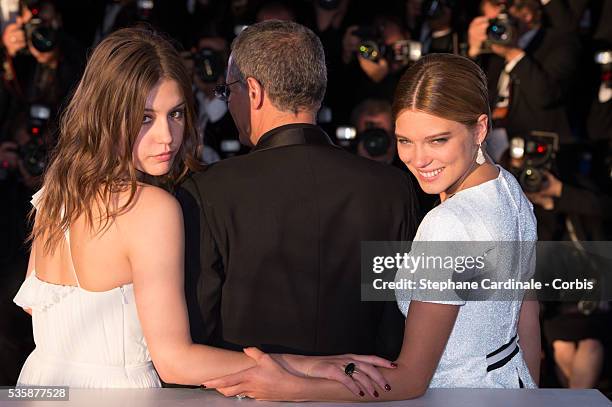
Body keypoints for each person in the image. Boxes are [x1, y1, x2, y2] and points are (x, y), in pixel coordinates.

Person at [12, 26, 394, 392]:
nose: (167, 136)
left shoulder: (54, 194)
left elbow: (37, 308)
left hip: (39, 385)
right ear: (108, 114)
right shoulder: (151, 207)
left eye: (176, 113)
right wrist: (307, 366)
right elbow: (175, 362)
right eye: (145, 118)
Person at [203, 53, 541, 401]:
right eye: (405, 141)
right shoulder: (508, 191)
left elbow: (410, 381)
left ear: (480, 128)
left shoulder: (448, 224)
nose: (419, 159)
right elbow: (526, 319)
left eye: (438, 140)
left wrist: (290, 387)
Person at [177, 19, 416, 366]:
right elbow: (396, 320)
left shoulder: (207, 190)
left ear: (254, 92)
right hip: (363, 392)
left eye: (230, 90)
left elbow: (199, 327)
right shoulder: (391, 188)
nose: (228, 103)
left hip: (246, 395)